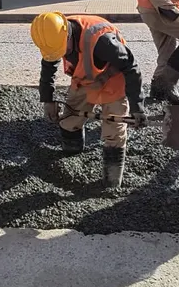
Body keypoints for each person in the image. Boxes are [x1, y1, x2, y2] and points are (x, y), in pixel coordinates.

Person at [30, 12, 145, 188]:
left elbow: (131, 68)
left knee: (113, 134)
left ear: (67, 34)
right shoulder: (52, 37)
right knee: (68, 121)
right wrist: (48, 99)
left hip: (114, 79)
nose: (61, 54)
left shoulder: (102, 42)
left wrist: (138, 107)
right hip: (85, 78)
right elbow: (48, 66)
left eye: (62, 50)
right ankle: (71, 154)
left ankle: (112, 183)